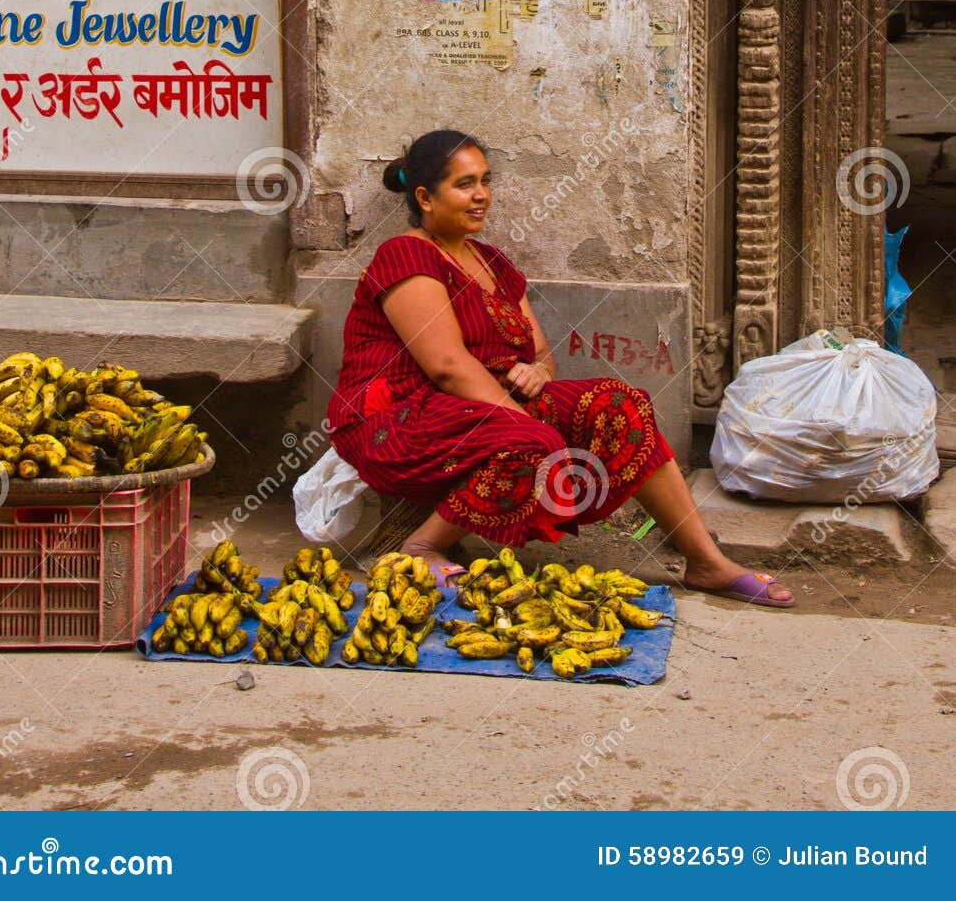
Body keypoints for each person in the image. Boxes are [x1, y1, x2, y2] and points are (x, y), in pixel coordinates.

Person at [327, 129, 794, 607]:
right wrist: (523, 418)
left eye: (485, 181)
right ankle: (422, 546)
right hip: (398, 417)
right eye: (465, 184)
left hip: (476, 404)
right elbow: (446, 366)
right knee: (533, 440)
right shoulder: (406, 255)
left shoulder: (492, 263)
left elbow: (542, 353)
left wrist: (539, 372)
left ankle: (705, 562)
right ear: (425, 197)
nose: (482, 195)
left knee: (621, 404)